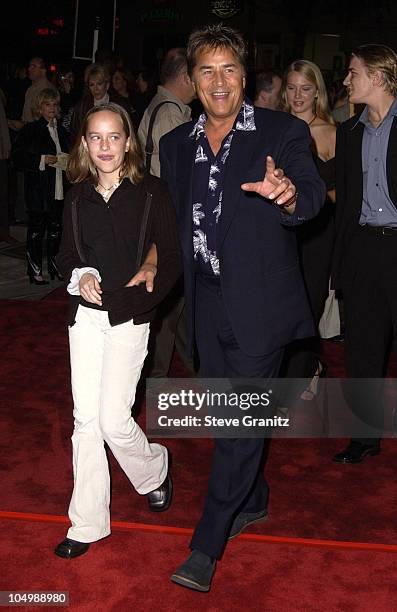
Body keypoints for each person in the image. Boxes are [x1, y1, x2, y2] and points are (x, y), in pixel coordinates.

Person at [160, 24, 325, 592]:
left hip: (261, 307)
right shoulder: (175, 145)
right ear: (194, 79)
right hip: (205, 306)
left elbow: (306, 190)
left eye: (229, 68)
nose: (219, 81)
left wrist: (289, 196)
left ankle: (207, 543)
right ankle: (253, 497)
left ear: (245, 75)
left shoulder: (281, 130)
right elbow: (176, 221)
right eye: (207, 70)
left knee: (237, 425)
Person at [54, 102, 181, 559]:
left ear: (128, 141)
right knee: (85, 422)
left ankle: (153, 468)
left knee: (113, 420)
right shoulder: (76, 196)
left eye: (113, 137)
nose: (105, 146)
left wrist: (135, 296)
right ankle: (86, 524)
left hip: (130, 318)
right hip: (85, 319)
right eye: (96, 137)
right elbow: (66, 255)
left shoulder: (153, 193)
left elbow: (169, 258)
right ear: (85, 144)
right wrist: (82, 274)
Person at [332, 44, 397, 464]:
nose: (345, 81)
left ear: (376, 77)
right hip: (361, 251)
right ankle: (365, 436)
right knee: (362, 349)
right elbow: (335, 188)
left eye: (352, 72)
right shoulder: (349, 131)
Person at [280, 60, 337, 398]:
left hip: (318, 233)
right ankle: (304, 369)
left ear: (317, 91)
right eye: (292, 87)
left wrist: (310, 199)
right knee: (283, 305)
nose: (298, 95)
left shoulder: (331, 133)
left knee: (307, 306)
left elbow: (345, 190)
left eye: (305, 88)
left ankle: (300, 376)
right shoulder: (276, 129)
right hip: (282, 231)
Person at [138, 47, 196, 377]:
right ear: (187, 77)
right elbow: (178, 177)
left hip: (159, 214)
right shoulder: (172, 114)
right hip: (170, 218)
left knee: (177, 302)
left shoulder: (160, 106)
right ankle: (156, 376)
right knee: (170, 303)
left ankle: (195, 367)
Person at [11, 88, 69, 284]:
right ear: (40, 108)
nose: (52, 108)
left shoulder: (62, 131)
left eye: (54, 104)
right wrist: (43, 159)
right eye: (47, 104)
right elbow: (17, 158)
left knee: (56, 229)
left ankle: (55, 266)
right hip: (38, 190)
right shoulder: (31, 130)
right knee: (36, 231)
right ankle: (35, 270)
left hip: (59, 187)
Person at [70, 63, 134, 146]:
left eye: (99, 84)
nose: (96, 89)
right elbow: (75, 134)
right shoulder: (82, 106)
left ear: (107, 85)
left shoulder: (120, 105)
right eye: (92, 85)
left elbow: (128, 131)